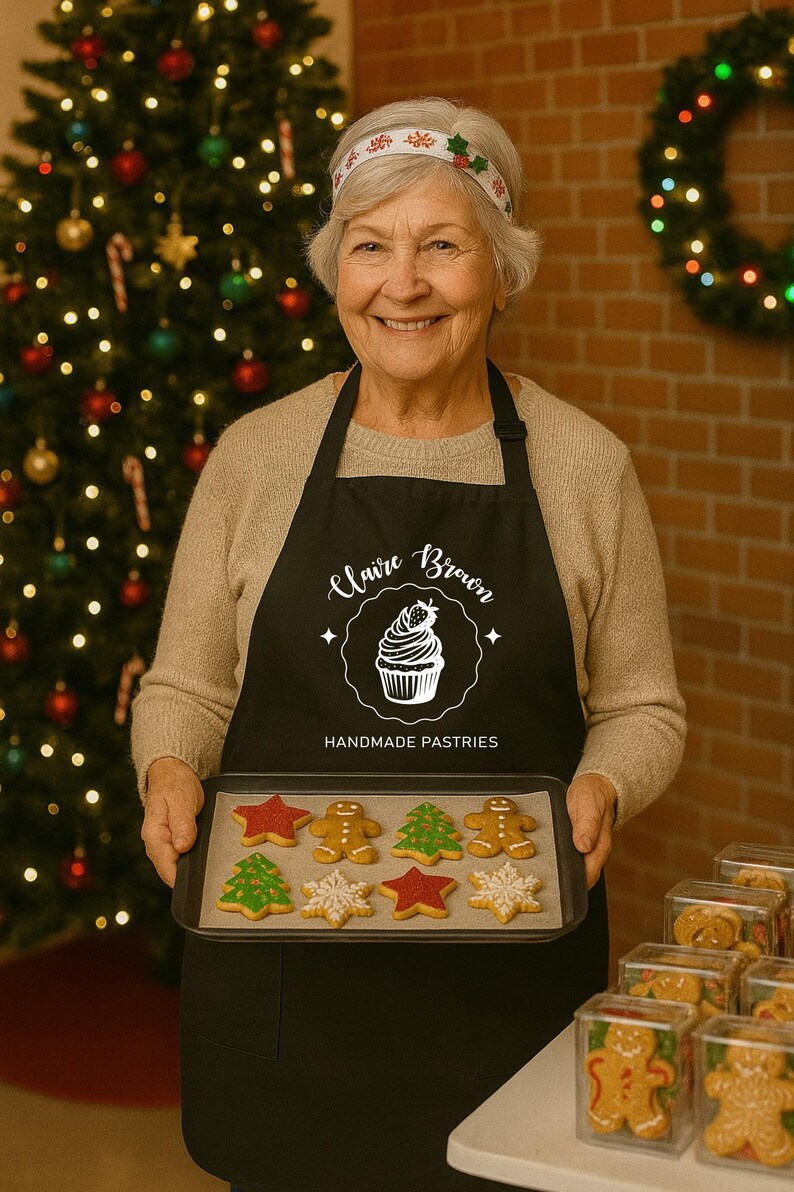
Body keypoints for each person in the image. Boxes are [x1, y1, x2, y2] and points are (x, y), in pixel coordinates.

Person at [133, 97, 686, 1192]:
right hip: (284, 970)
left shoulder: (582, 465)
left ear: (500, 268)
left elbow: (642, 706)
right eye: (370, 247)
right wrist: (164, 767)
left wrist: (604, 783)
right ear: (336, 268)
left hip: (504, 967)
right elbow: (187, 685)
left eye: (441, 245)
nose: (403, 283)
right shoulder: (257, 455)